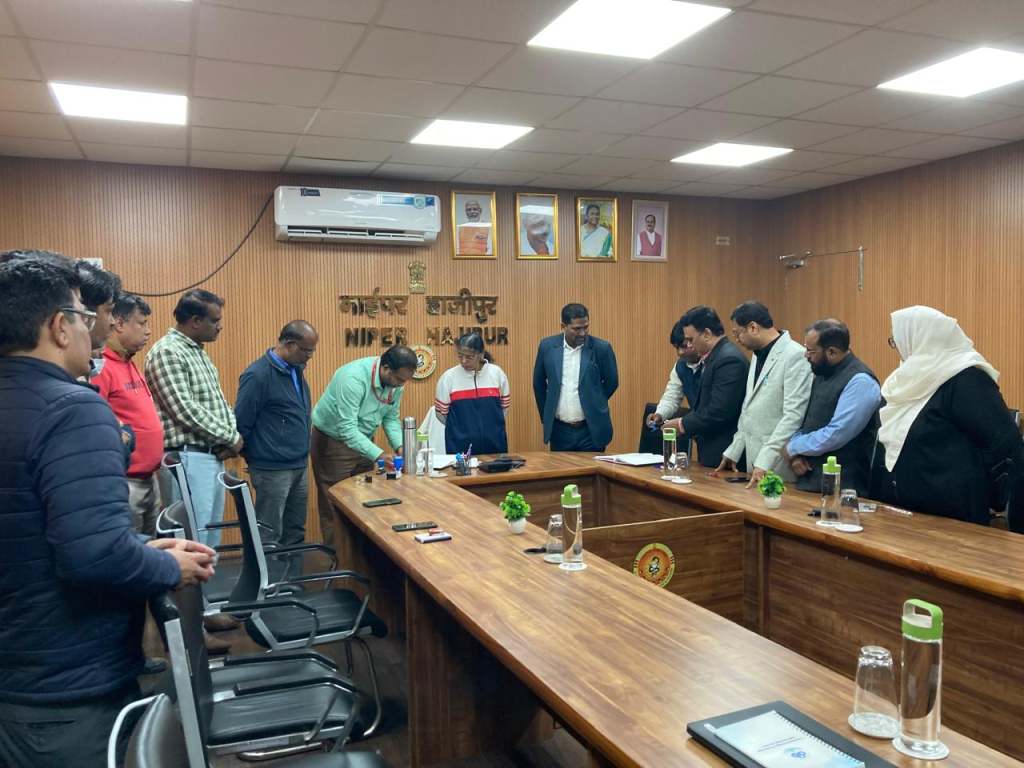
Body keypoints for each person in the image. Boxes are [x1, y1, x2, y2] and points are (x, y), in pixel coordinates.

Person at [0, 252, 214, 768]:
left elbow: (39, 526)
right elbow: (93, 557)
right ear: (59, 327)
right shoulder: (73, 408)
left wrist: (142, 545)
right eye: (82, 314)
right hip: (67, 686)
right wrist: (168, 566)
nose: (91, 329)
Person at [874, 306, 1020, 525]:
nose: (897, 348)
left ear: (920, 337)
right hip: (904, 512)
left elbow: (1003, 441)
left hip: (953, 515)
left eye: (897, 340)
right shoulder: (906, 379)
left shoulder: (966, 379)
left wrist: (987, 493)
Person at [145, 289, 242, 548]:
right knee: (191, 542)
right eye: (215, 320)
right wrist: (231, 437)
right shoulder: (168, 351)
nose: (220, 326)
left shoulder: (196, 351)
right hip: (187, 458)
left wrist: (230, 437)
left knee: (208, 541)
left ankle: (207, 579)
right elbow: (184, 409)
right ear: (195, 321)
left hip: (207, 456)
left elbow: (218, 404)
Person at [311, 345, 418, 545]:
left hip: (364, 442)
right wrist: (379, 455)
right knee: (335, 504)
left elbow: (390, 418)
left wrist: (400, 447)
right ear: (386, 368)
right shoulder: (353, 379)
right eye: (399, 380)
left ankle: (362, 559)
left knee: (365, 501)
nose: (401, 385)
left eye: (405, 380)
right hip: (333, 442)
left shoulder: (396, 382)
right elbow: (347, 430)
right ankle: (338, 560)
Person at [235, 321, 318, 546]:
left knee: (295, 531)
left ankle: (293, 571)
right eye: (307, 350)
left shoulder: (296, 369)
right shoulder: (257, 375)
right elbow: (241, 422)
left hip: (299, 464)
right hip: (271, 469)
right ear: (289, 344)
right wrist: (256, 456)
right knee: (269, 533)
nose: (310, 356)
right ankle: (266, 571)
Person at [716, 301, 812, 487]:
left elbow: (793, 416)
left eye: (737, 333)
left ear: (753, 327)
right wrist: (734, 450)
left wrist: (765, 459)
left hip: (777, 463)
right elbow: (749, 407)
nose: (737, 339)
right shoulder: (757, 354)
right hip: (755, 461)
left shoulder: (795, 355)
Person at [93, 293, 164, 536]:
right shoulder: (102, 367)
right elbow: (99, 422)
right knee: (131, 548)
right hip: (125, 482)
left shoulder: (128, 362)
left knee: (152, 548)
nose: (148, 331)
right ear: (120, 323)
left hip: (149, 479)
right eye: (141, 323)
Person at [784, 319, 881, 496]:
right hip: (810, 481)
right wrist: (795, 451)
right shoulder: (822, 371)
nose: (806, 355)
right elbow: (808, 422)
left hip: (845, 489)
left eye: (810, 351)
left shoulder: (860, 381)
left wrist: (793, 447)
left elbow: (837, 433)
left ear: (831, 352)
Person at [663, 305, 748, 469]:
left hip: (726, 454)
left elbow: (719, 411)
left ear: (707, 334)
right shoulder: (713, 357)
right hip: (712, 452)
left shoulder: (729, 360)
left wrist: (682, 424)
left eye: (690, 340)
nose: (690, 345)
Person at [533, 303, 619, 452]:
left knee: (592, 468)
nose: (583, 333)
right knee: (561, 468)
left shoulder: (601, 348)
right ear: (563, 326)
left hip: (591, 430)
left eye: (586, 327)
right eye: (576, 329)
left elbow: (612, 382)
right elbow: (538, 383)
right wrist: (547, 416)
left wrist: (595, 401)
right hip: (560, 430)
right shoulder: (547, 347)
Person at [434, 332, 511, 455]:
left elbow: (504, 407)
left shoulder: (497, 374)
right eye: (460, 356)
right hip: (459, 447)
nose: (464, 361)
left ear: (481, 354)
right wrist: (461, 430)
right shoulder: (448, 378)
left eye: (469, 357)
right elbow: (441, 413)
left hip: (495, 443)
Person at [647, 316, 701, 432]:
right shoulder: (680, 366)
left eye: (684, 346)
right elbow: (672, 397)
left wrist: (681, 424)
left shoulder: (713, 364)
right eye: (677, 348)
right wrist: (660, 414)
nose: (680, 352)